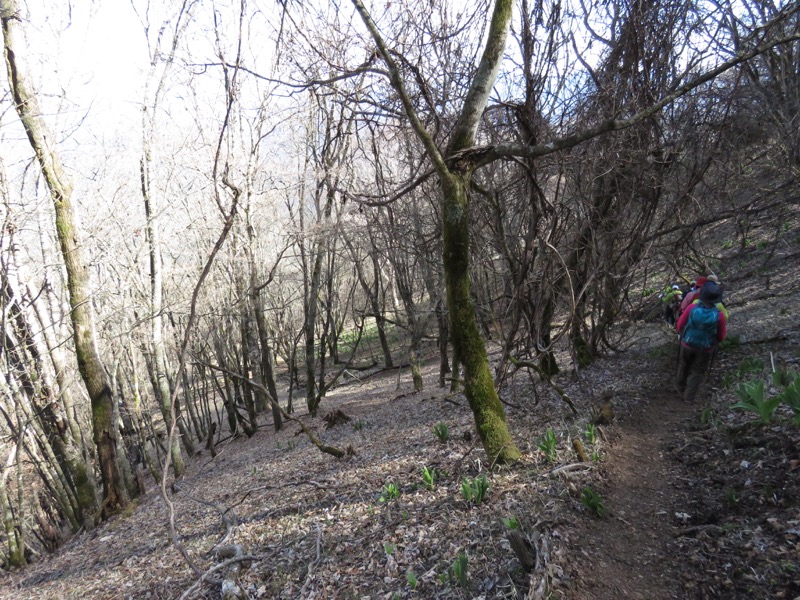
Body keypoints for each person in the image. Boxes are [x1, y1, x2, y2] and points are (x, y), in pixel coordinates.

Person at [675, 281, 727, 403]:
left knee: (683, 365)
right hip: (705, 348)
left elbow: (680, 324)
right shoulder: (719, 315)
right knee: (697, 372)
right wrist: (716, 341)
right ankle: (689, 397)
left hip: (687, 343)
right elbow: (721, 334)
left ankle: (680, 389)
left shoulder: (692, 308)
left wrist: (682, 333)